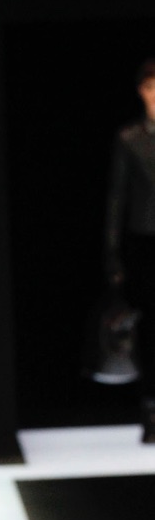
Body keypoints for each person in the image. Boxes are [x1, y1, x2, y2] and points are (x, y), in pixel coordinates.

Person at [104, 57, 155, 442]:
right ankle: (150, 407)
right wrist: (112, 254)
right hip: (146, 242)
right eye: (152, 87)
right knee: (149, 328)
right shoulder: (130, 138)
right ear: (141, 91)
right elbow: (116, 200)